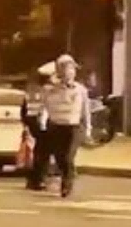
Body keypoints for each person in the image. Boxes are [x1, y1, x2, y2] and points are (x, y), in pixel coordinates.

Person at [32, 54, 93, 197]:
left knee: (68, 157)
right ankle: (66, 176)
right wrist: (43, 121)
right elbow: (44, 107)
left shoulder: (80, 90)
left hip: (74, 127)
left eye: (72, 69)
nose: (69, 72)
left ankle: (66, 185)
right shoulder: (50, 90)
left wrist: (88, 129)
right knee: (60, 158)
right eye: (66, 68)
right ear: (59, 71)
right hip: (56, 127)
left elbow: (86, 111)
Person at [22, 64, 54, 190]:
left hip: (33, 124)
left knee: (37, 152)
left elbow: (24, 110)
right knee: (43, 153)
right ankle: (39, 179)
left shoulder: (31, 90)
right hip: (44, 124)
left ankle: (33, 179)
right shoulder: (50, 91)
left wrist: (26, 124)